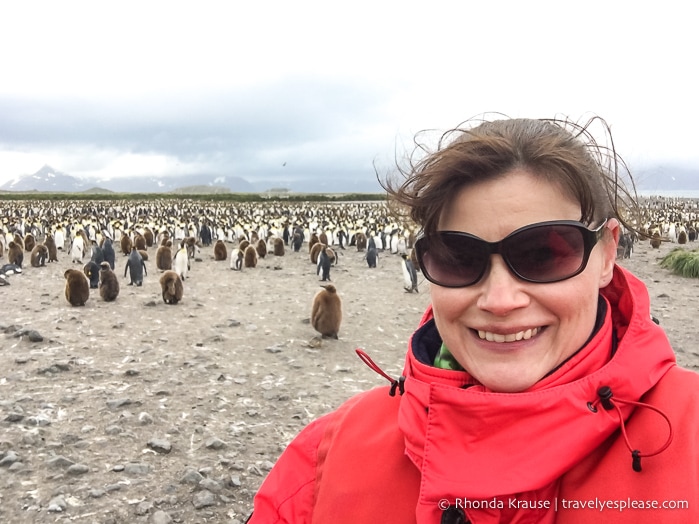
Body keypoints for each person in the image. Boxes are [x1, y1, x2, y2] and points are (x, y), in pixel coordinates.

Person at [247, 117, 699, 523]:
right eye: (458, 257)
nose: (500, 300)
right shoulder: (325, 458)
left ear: (607, 253)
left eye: (543, 253)